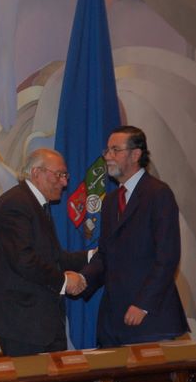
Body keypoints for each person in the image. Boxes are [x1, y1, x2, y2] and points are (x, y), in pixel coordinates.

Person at [81, 126, 189, 347]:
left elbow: (167, 257)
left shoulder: (158, 193)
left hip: (150, 321)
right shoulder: (111, 201)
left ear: (136, 154)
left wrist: (143, 304)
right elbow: (105, 255)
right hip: (113, 321)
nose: (107, 157)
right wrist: (82, 279)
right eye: (107, 150)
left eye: (115, 150)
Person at [0, 148, 88, 357]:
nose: (64, 182)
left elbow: (54, 257)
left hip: (38, 321)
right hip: (22, 322)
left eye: (65, 176)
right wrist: (64, 282)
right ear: (36, 173)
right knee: (32, 378)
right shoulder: (16, 204)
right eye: (59, 174)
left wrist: (90, 257)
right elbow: (24, 260)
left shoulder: (33, 204)